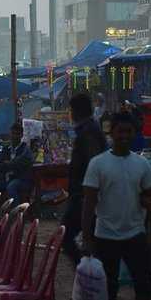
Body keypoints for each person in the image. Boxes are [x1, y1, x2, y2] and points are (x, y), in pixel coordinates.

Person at [82, 112, 151, 300]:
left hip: (135, 233)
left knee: (143, 285)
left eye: (128, 132)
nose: (124, 136)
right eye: (120, 131)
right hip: (105, 234)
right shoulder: (98, 164)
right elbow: (89, 203)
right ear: (111, 133)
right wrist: (87, 237)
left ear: (134, 134)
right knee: (109, 287)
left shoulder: (142, 164)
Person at [62, 93, 107, 266]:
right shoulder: (89, 129)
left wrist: (87, 196)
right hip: (84, 195)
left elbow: (93, 164)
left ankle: (87, 270)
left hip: (84, 196)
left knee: (67, 237)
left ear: (76, 111)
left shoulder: (88, 133)